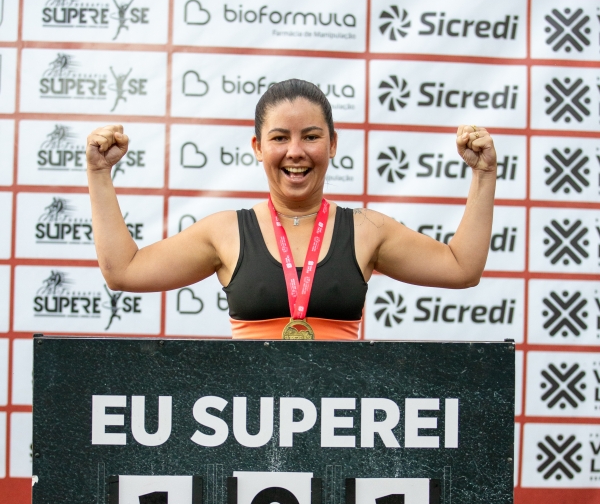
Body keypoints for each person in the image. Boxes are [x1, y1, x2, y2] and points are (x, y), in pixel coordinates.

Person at [86, 79, 497, 341]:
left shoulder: (368, 229)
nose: (295, 152)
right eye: (280, 137)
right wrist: (99, 173)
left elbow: (462, 268)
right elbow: (124, 271)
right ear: (258, 147)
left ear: (332, 145)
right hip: (251, 430)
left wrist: (483, 174)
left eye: (311, 137)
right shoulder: (224, 232)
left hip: (340, 429)